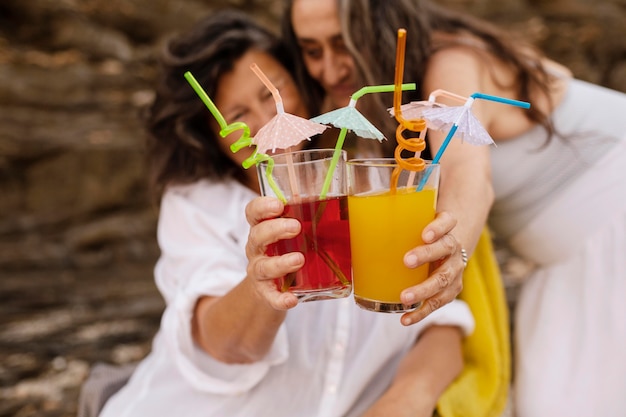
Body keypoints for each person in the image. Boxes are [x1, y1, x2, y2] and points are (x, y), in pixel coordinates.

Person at [97, 9, 476, 417]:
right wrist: (261, 287)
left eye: (271, 94)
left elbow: (441, 320)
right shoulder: (197, 202)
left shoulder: (371, 180)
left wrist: (406, 399)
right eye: (239, 115)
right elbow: (225, 345)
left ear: (298, 82)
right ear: (212, 133)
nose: (265, 123)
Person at [282, 0, 626, 416]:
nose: (331, 69)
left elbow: (466, 171)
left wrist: (451, 252)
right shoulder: (381, 102)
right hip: (564, 260)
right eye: (313, 50)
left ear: (381, 26)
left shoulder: (452, 66)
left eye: (344, 44)